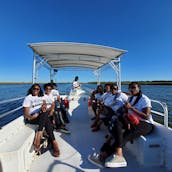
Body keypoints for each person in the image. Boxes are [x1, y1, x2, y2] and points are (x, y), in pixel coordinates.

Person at [88, 82, 154, 168]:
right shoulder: (130, 99)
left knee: (125, 135)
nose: (131, 89)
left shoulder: (144, 99)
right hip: (132, 121)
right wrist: (126, 119)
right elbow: (126, 111)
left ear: (139, 88)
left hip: (146, 124)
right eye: (129, 88)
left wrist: (131, 108)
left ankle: (109, 155)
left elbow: (146, 116)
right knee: (116, 122)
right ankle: (111, 154)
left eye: (133, 87)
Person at [23, 83, 60, 157]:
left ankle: (39, 136)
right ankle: (54, 143)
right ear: (31, 89)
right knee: (46, 118)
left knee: (45, 114)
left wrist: (43, 108)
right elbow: (26, 114)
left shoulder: (41, 97)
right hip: (31, 119)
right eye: (34, 89)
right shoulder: (28, 98)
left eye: (37, 89)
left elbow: (44, 105)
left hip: (40, 117)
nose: (36, 90)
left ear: (39, 90)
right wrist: (33, 116)